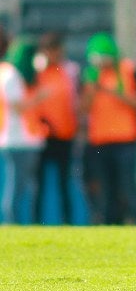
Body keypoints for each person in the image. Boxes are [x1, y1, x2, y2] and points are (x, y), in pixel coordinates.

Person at [81, 33, 136, 225]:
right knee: (107, 189)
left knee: (128, 186)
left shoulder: (128, 71)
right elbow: (83, 109)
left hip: (126, 139)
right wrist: (93, 87)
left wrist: (114, 92)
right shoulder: (91, 75)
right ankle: (112, 226)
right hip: (100, 140)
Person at [33, 32, 81, 225]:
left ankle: (67, 222)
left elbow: (74, 100)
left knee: (64, 183)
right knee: (39, 184)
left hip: (65, 134)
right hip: (42, 135)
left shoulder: (69, 70)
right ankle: (36, 222)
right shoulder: (37, 72)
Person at [0, 38, 46, 224]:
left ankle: (16, 223)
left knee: (23, 187)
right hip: (18, 139)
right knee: (17, 187)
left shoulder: (10, 73)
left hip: (23, 138)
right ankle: (11, 223)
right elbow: (18, 107)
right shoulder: (11, 75)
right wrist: (40, 97)